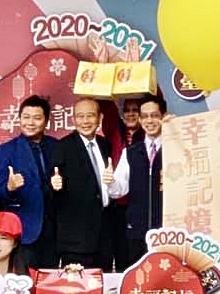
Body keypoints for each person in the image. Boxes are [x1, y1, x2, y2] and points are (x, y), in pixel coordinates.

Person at [0, 95, 59, 269]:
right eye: (26, 117)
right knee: (24, 280)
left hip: (55, 230)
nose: (30, 123)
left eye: (37, 118)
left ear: (46, 121)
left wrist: (60, 184)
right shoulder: (6, 150)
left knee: (51, 280)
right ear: (19, 119)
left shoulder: (57, 146)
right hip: (24, 231)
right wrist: (9, 187)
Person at [51, 97, 115, 268]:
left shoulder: (105, 145)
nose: (85, 121)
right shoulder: (62, 147)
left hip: (104, 237)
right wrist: (54, 186)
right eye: (80, 116)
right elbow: (50, 190)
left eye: (90, 115)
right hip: (76, 241)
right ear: (73, 119)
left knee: (104, 282)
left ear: (100, 118)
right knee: (77, 284)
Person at [106, 94, 168, 267]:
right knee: (138, 277)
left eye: (155, 115)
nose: (150, 121)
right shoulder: (130, 152)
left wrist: (219, 121)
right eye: (145, 116)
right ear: (140, 120)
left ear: (163, 117)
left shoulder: (175, 148)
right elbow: (118, 190)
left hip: (167, 231)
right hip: (136, 232)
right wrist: (110, 181)